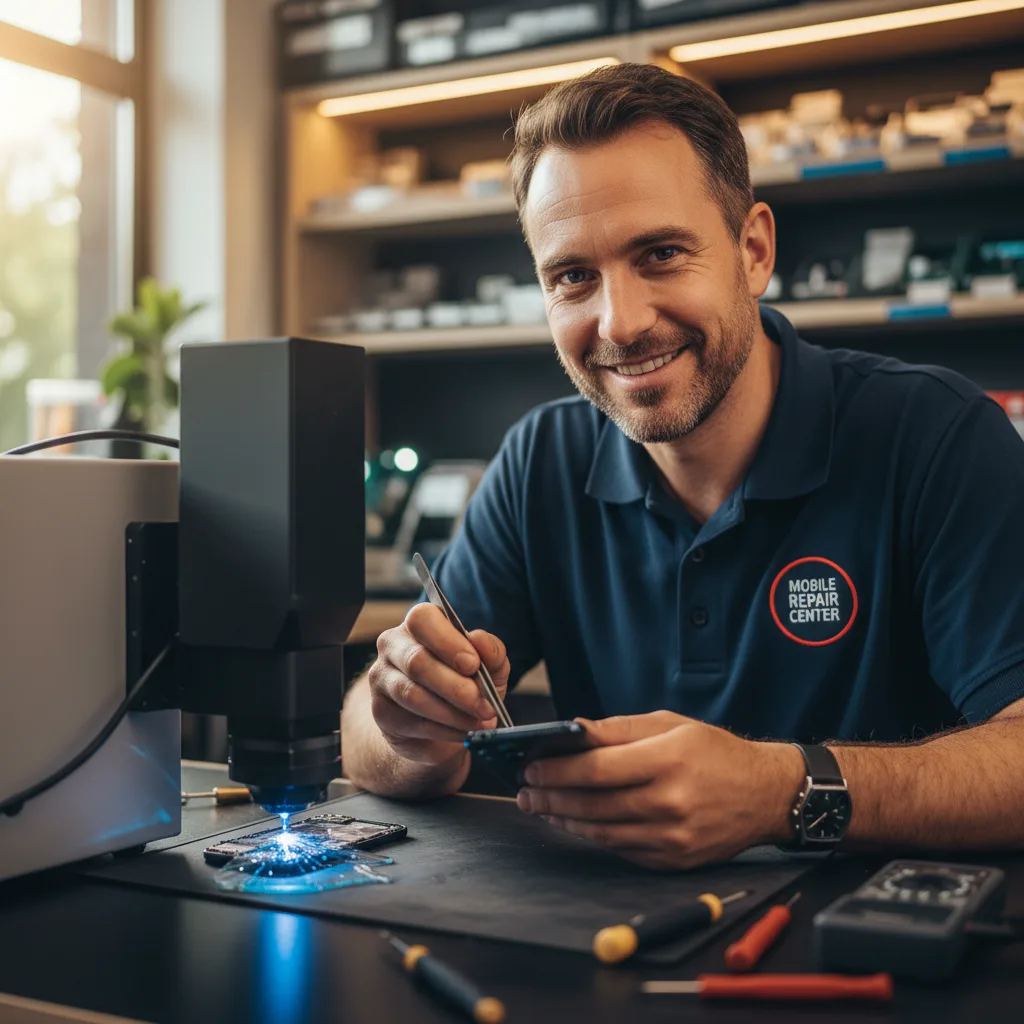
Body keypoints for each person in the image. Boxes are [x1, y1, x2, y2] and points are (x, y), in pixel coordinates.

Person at [342, 63, 1024, 870]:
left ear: (754, 249)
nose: (620, 323)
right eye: (573, 277)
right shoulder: (541, 460)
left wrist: (783, 790)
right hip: (614, 955)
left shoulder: (935, 436)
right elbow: (370, 744)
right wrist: (405, 722)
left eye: (661, 253)